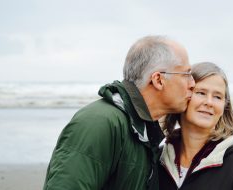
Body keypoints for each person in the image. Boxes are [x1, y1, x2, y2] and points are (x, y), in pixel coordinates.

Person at [43, 35, 195, 190]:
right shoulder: (99, 123)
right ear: (158, 80)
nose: (192, 84)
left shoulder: (143, 131)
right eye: (186, 74)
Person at [159, 62, 233, 190]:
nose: (209, 102)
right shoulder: (158, 159)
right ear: (183, 96)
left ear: (224, 106)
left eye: (218, 96)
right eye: (201, 93)